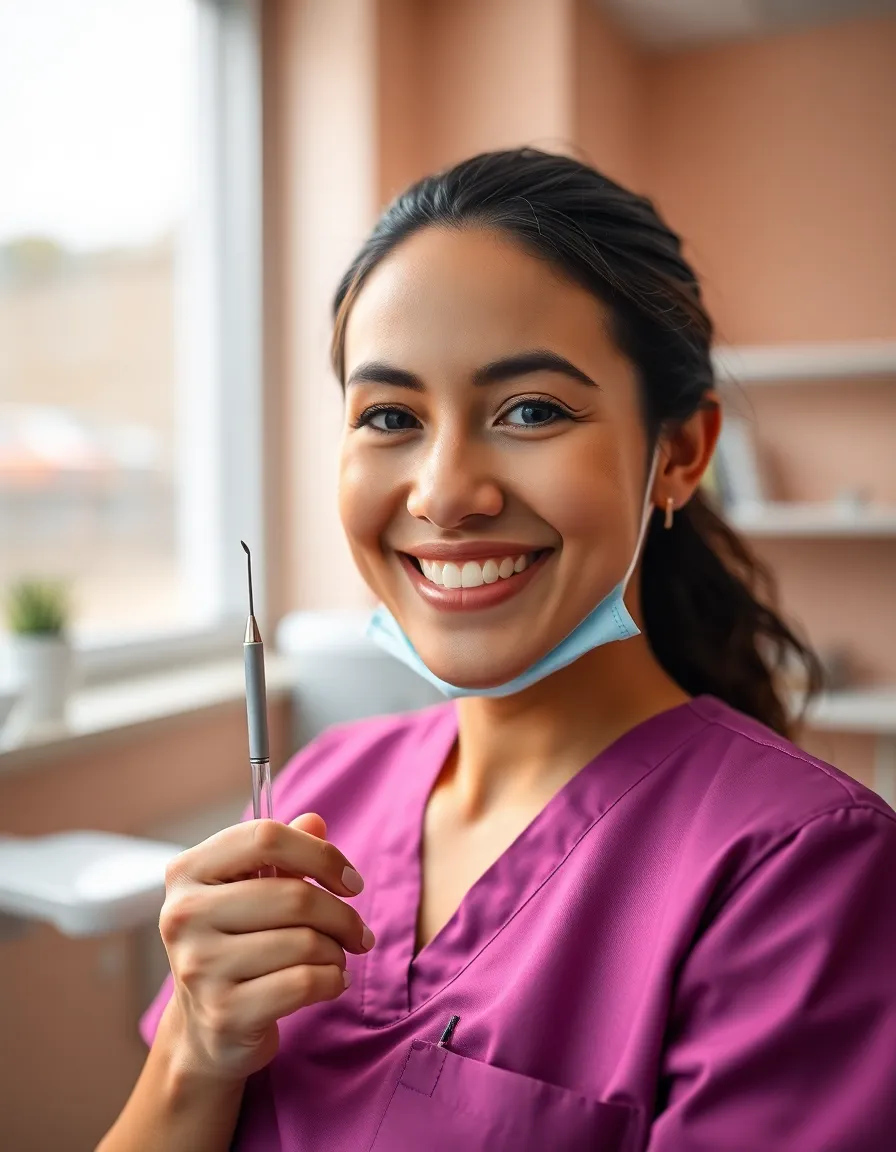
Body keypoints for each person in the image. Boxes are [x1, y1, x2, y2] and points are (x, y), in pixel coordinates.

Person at [98, 149, 896, 1152]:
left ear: (679, 454)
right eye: (389, 416)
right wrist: (192, 1054)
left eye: (529, 411)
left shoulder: (795, 868)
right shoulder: (322, 788)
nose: (442, 493)